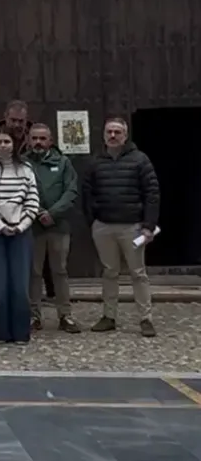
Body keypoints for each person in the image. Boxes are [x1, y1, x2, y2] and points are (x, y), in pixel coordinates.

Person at [82, 117, 160, 337]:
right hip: (103, 226)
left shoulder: (140, 160)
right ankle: (109, 316)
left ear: (125, 136)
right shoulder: (95, 161)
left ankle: (146, 319)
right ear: (104, 134)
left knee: (138, 273)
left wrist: (149, 226)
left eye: (117, 132)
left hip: (133, 227)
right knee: (109, 272)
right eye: (109, 132)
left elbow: (152, 194)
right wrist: (93, 220)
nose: (113, 135)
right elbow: (87, 193)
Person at [0, 126, 41, 344]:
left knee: (20, 283)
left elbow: (32, 200)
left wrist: (21, 225)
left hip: (21, 231)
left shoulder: (26, 169)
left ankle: (21, 332)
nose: (3, 146)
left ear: (14, 145)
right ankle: (2, 332)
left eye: (7, 142)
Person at [27, 124, 80, 333]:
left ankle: (65, 315)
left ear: (50, 141)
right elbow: (22, 190)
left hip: (58, 226)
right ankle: (34, 315)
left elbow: (71, 191)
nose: (38, 142)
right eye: (34, 138)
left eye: (42, 138)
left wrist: (53, 213)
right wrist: (38, 211)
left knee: (60, 271)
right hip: (33, 226)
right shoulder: (23, 163)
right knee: (34, 272)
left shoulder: (63, 162)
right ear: (29, 140)